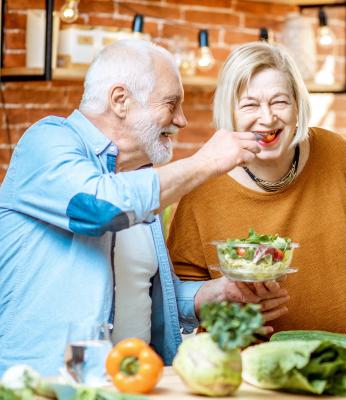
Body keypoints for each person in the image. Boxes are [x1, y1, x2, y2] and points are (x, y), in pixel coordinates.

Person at [0, 38, 276, 376]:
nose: (182, 120)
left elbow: (151, 295)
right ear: (120, 100)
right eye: (172, 104)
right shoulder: (46, 142)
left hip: (136, 382)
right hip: (47, 383)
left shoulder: (139, 180)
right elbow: (98, 208)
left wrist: (216, 294)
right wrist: (207, 161)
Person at [167, 41, 346, 334]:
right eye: (250, 104)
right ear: (231, 111)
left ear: (297, 104)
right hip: (248, 363)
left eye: (279, 101)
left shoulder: (340, 157)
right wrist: (227, 306)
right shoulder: (202, 185)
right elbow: (183, 289)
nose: (267, 118)